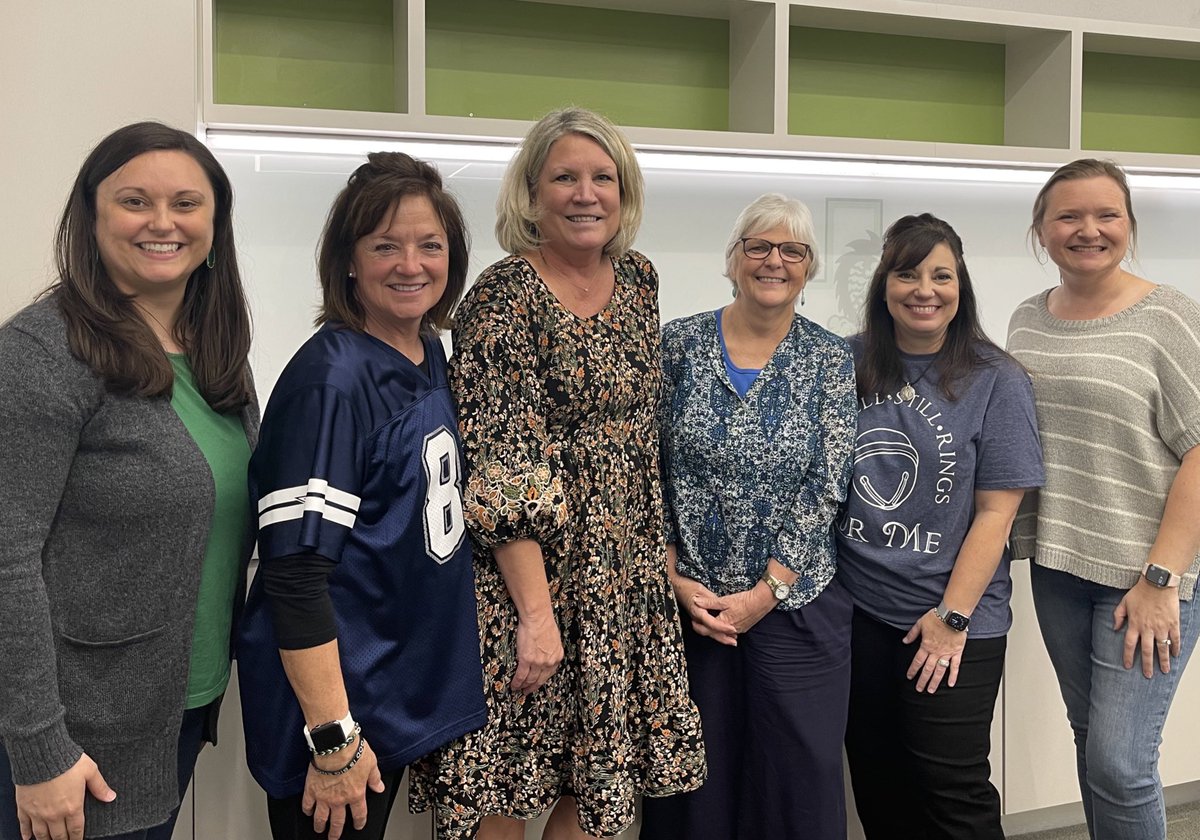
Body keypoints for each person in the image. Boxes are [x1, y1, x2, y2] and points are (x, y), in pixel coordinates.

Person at [408, 106, 705, 839]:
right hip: (530, 582)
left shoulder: (638, 281)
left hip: (624, 579)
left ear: (623, 190)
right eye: (564, 177)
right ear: (532, 194)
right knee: (507, 779)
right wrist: (536, 619)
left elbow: (642, 437)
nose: (585, 193)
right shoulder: (502, 297)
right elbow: (505, 466)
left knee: (600, 780)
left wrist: (658, 557)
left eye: (603, 177)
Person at [0, 121, 256, 840]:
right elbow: (5, 558)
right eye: (135, 201)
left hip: (174, 708)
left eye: (187, 203)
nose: (163, 223)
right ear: (92, 215)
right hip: (72, 737)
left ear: (215, 222)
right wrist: (38, 747)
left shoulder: (217, 355)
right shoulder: (40, 354)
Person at [235, 152, 486, 840]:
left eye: (429, 245)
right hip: (341, 714)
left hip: (392, 689)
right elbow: (294, 576)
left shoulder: (425, 351)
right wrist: (333, 740)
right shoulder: (331, 382)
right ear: (349, 260)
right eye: (385, 246)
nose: (411, 264)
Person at [639, 193, 857, 839]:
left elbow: (826, 486)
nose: (774, 260)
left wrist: (768, 590)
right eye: (758, 246)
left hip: (796, 606)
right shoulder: (675, 345)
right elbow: (644, 466)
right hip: (691, 605)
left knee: (796, 778)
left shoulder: (829, 358)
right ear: (732, 260)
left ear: (808, 266)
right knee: (694, 781)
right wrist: (673, 576)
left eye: (792, 250)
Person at [1007, 159, 1200, 840]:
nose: (1088, 230)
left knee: (1122, 762)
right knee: (1092, 743)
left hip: (1146, 575)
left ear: (1128, 225)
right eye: (1069, 215)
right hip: (1059, 564)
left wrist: (1161, 578)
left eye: (1106, 215)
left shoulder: (1167, 315)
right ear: (1041, 229)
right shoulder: (1027, 318)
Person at [837, 213, 1044, 839]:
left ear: (961, 286)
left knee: (950, 791)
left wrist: (950, 620)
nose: (925, 289)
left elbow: (996, 512)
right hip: (860, 613)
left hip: (955, 620)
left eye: (941, 275)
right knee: (877, 781)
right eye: (907, 273)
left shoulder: (996, 379)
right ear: (884, 286)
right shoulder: (845, 362)